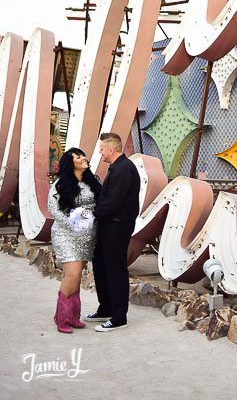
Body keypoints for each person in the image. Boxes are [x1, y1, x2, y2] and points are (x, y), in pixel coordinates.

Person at [85, 132, 140, 332]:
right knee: (101, 266)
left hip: (117, 226)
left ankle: (118, 317)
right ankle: (105, 307)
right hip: (108, 224)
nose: (100, 153)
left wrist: (91, 216)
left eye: (102, 149)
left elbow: (112, 202)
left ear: (111, 149)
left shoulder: (124, 169)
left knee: (115, 269)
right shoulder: (117, 168)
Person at [47, 148, 101, 334]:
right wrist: (73, 224)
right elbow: (53, 210)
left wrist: (89, 218)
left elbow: (98, 205)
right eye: (78, 157)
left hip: (87, 235)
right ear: (70, 163)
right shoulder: (59, 185)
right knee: (72, 275)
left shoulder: (92, 182)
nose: (83, 158)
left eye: (83, 155)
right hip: (66, 234)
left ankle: (73, 317)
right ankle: (61, 317)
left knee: (77, 277)